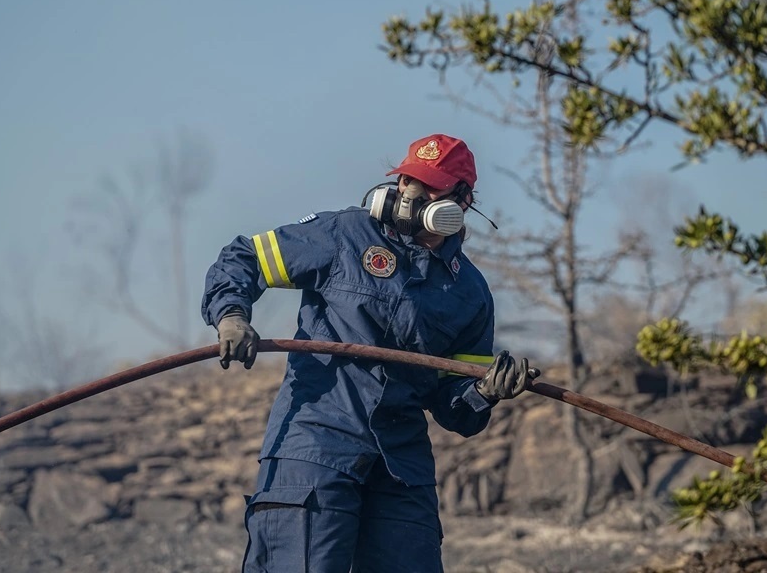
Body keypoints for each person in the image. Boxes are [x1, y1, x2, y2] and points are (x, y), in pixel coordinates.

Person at [200, 133, 541, 572]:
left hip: (402, 469)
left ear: (462, 199)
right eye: (407, 180)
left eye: (429, 185)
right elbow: (244, 258)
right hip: (315, 448)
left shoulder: (470, 293)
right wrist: (231, 314)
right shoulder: (344, 233)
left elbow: (456, 410)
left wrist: (486, 392)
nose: (410, 194)